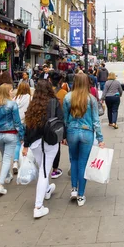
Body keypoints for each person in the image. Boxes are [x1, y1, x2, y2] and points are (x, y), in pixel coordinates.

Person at [22, 80, 63, 218]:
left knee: (42, 168)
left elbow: (28, 126)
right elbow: (60, 121)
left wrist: (26, 145)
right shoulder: (54, 102)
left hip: (35, 143)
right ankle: (38, 206)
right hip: (49, 141)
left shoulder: (33, 104)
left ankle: (47, 190)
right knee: (44, 172)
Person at [63, 73, 105, 207]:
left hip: (71, 132)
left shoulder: (68, 97)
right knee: (83, 163)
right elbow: (96, 121)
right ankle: (81, 195)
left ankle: (74, 189)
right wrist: (100, 139)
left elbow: (64, 118)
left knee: (73, 160)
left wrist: (64, 136)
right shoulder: (91, 99)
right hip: (87, 132)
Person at [0, 83, 24, 195]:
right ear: (7, 92)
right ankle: (0, 184)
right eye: (11, 90)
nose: (12, 92)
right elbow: (17, 122)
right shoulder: (12, 104)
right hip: (11, 134)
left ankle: (8, 176)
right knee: (7, 158)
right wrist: (22, 135)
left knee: (4, 157)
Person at [12, 81, 32, 175]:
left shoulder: (14, 98)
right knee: (28, 143)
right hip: (26, 122)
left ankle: (15, 162)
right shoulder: (30, 97)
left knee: (17, 143)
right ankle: (27, 161)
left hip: (16, 123)